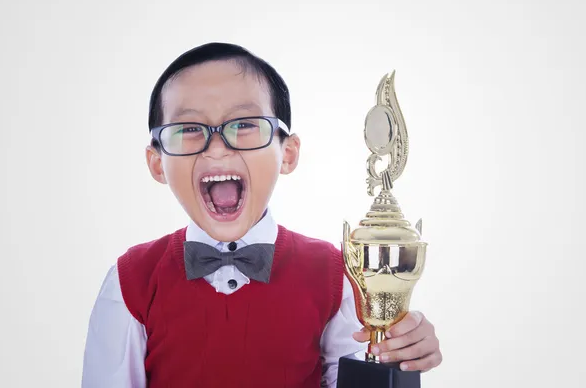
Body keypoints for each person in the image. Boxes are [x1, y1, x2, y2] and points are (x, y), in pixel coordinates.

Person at [81, 42, 442, 388]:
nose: (218, 147)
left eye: (244, 124)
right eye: (189, 129)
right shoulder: (129, 282)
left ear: (287, 153)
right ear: (157, 163)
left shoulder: (335, 276)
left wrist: (397, 349)